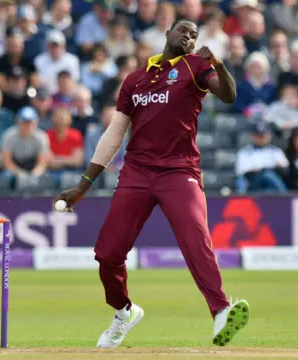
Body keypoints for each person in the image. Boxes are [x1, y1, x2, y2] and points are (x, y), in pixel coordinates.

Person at [54, 19, 249, 348]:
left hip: (179, 171)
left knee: (195, 237)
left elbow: (228, 96)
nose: (188, 37)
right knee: (107, 254)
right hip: (137, 172)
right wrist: (83, 185)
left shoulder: (197, 66)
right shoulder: (136, 79)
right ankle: (124, 313)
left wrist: (218, 62)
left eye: (193, 35)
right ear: (167, 33)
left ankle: (221, 310)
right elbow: (115, 133)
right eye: (183, 30)